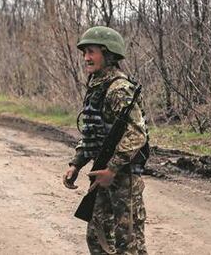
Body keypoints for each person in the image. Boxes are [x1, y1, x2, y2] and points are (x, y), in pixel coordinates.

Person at [63, 26, 150, 255]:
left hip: (123, 177)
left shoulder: (118, 89)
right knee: (97, 239)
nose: (86, 58)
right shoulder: (97, 85)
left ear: (108, 54)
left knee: (128, 245)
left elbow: (137, 134)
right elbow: (92, 132)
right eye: (84, 52)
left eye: (91, 52)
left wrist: (112, 169)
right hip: (103, 174)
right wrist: (76, 163)